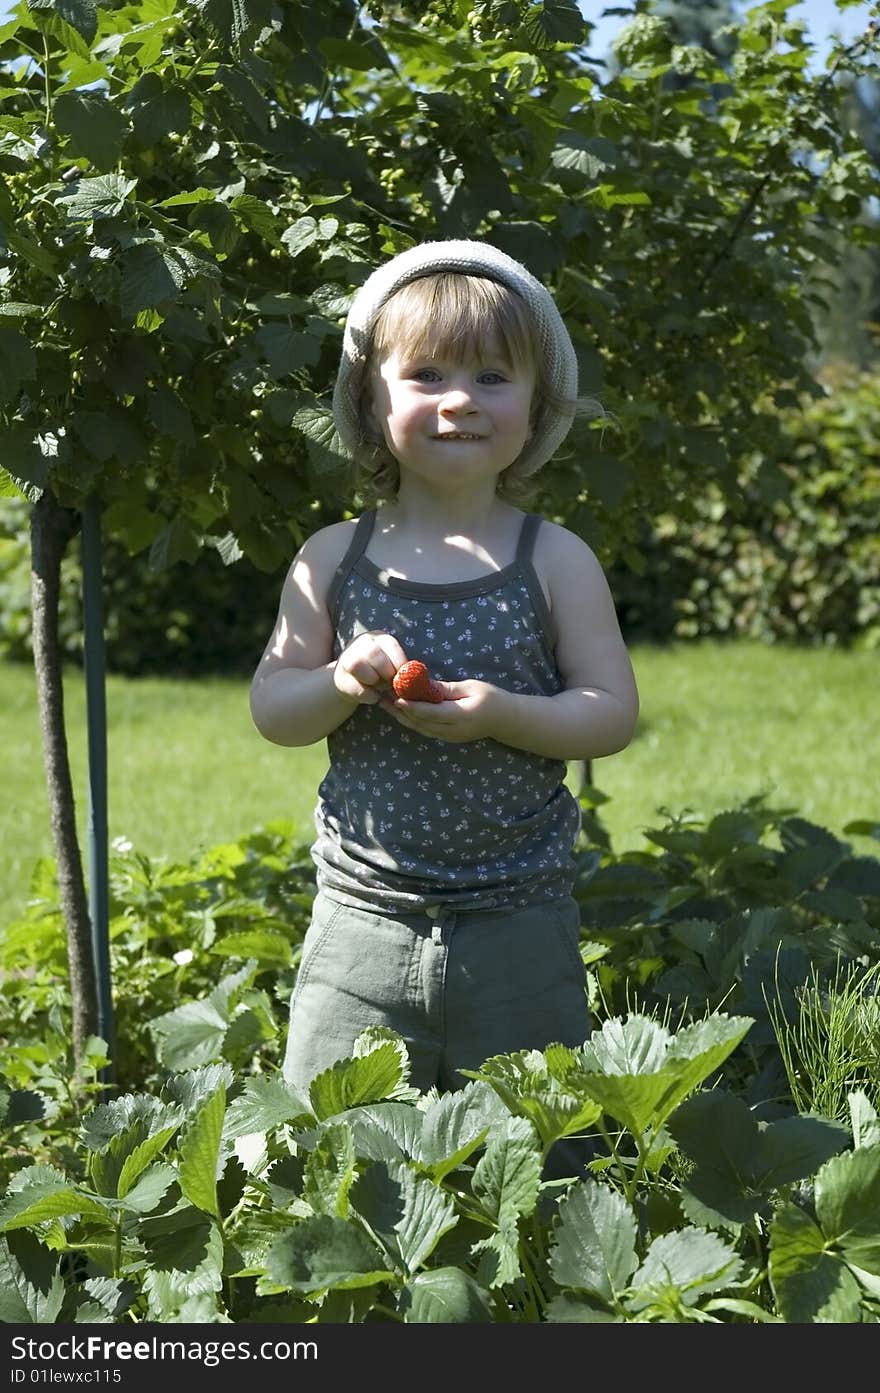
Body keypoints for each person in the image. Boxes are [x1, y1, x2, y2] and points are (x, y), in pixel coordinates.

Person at [249, 239, 639, 1172]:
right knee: (334, 1159)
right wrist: (343, 679)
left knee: (539, 1164)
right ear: (369, 401)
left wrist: (506, 711)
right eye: (425, 373)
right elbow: (274, 706)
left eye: (492, 376)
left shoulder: (554, 559)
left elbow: (610, 711)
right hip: (363, 924)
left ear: (535, 406)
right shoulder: (331, 559)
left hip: (520, 923)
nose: (460, 398)